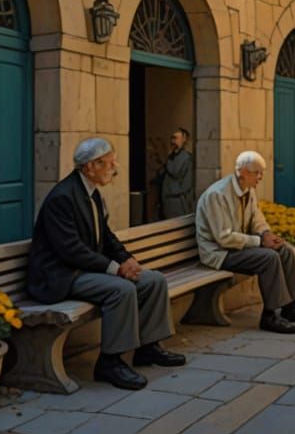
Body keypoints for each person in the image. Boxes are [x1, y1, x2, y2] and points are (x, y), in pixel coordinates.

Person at [26, 138, 185, 391]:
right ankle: (110, 363)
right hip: (61, 275)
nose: (116, 168)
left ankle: (147, 348)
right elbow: (71, 251)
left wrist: (127, 259)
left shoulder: (91, 192)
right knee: (120, 290)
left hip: (85, 269)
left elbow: (107, 236)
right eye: (109, 163)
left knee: (152, 280)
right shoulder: (62, 197)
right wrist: (116, 269)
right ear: (91, 166)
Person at [195, 151, 295, 334]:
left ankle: (293, 307)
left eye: (261, 172)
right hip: (219, 253)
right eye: (256, 172)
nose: (261, 177)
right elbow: (223, 237)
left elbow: (257, 217)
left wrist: (265, 233)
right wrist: (259, 242)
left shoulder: (248, 189)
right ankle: (270, 316)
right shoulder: (217, 195)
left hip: (238, 247)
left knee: (285, 250)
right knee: (269, 258)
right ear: (242, 172)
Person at [151, 128, 195, 219]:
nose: (173, 141)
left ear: (184, 139)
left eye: (175, 138)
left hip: (176, 200)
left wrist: (167, 158)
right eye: (172, 138)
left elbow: (175, 172)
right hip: (166, 198)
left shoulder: (185, 157)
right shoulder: (172, 156)